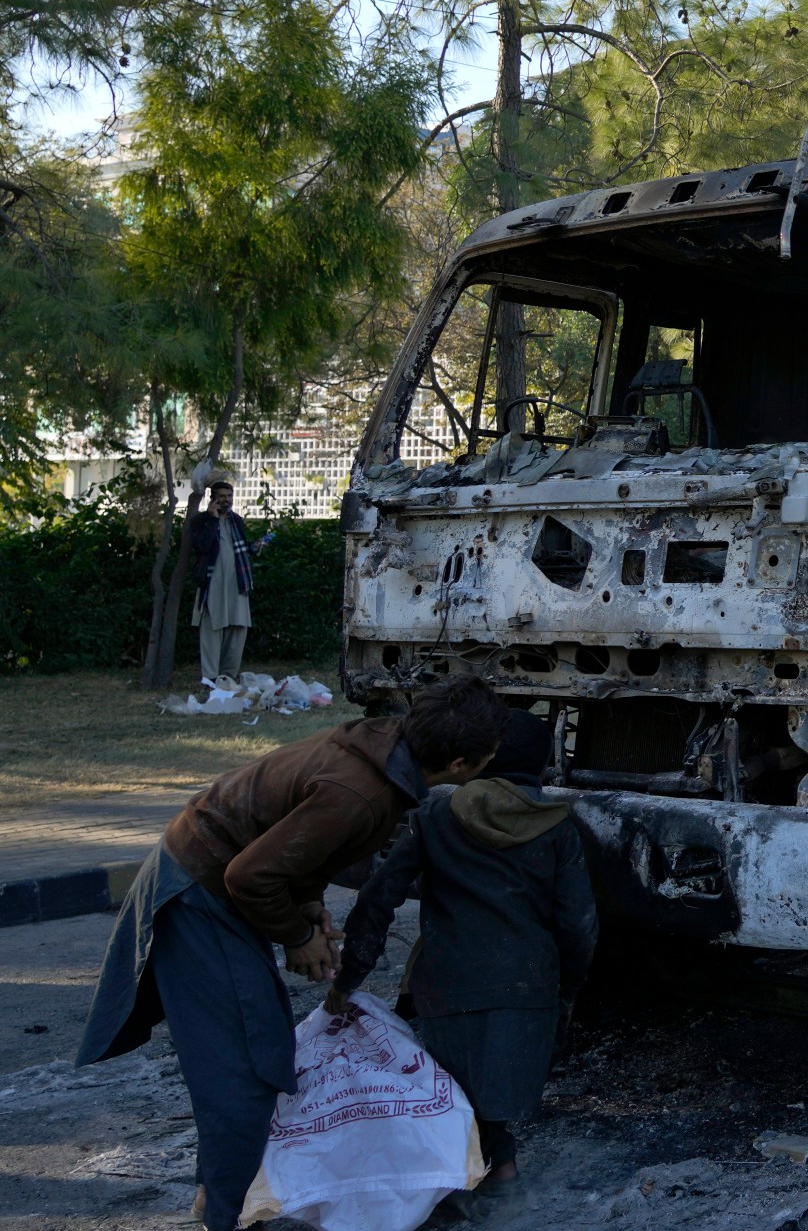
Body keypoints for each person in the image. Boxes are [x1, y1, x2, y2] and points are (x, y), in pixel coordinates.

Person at [77, 676, 510, 1231]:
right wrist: (297, 936)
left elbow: (292, 838)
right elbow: (248, 874)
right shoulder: (362, 793)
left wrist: (305, 904)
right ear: (458, 765)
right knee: (247, 1067)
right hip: (201, 892)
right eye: (487, 757)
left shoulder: (380, 745)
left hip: (212, 885)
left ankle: (219, 1193)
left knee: (254, 1048)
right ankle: (229, 1216)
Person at [328, 710, 596, 1211]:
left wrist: (349, 978)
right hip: (527, 988)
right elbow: (578, 924)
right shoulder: (559, 829)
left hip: (443, 986)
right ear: (542, 766)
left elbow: (378, 897)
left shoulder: (436, 816)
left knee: (445, 1090)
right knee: (484, 1094)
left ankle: (472, 1176)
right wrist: (567, 991)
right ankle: (496, 1175)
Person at [187, 480, 272, 684]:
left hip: (237, 582)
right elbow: (202, 546)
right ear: (213, 498)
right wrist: (213, 519)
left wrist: (256, 545)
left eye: (229, 496)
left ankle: (227, 676)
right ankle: (209, 678)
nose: (226, 500)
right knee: (211, 628)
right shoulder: (201, 521)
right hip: (212, 582)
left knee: (239, 627)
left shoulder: (236, 520)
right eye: (222, 496)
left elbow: (243, 548)